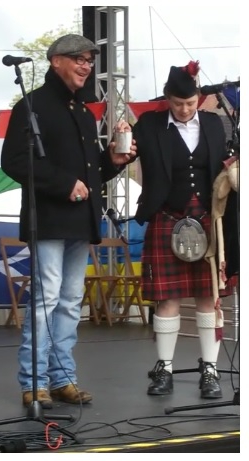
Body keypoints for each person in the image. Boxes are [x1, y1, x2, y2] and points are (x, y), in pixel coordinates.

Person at [1, 34, 135, 409]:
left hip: (79, 219)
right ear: (56, 60)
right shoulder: (31, 105)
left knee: (71, 300)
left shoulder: (83, 112)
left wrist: (113, 162)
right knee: (46, 298)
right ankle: (34, 381)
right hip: (48, 219)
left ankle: (62, 377)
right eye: (79, 59)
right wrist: (63, 184)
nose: (86, 66)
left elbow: (90, 175)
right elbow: (14, 161)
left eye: (89, 61)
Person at [131, 60, 237, 399]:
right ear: (167, 98)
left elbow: (222, 164)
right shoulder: (149, 125)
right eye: (178, 104)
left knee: (208, 296)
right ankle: (164, 368)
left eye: (191, 103)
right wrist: (120, 140)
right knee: (167, 298)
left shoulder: (213, 123)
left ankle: (210, 369)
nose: (185, 110)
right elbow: (125, 153)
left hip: (207, 216)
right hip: (167, 214)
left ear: (199, 99)